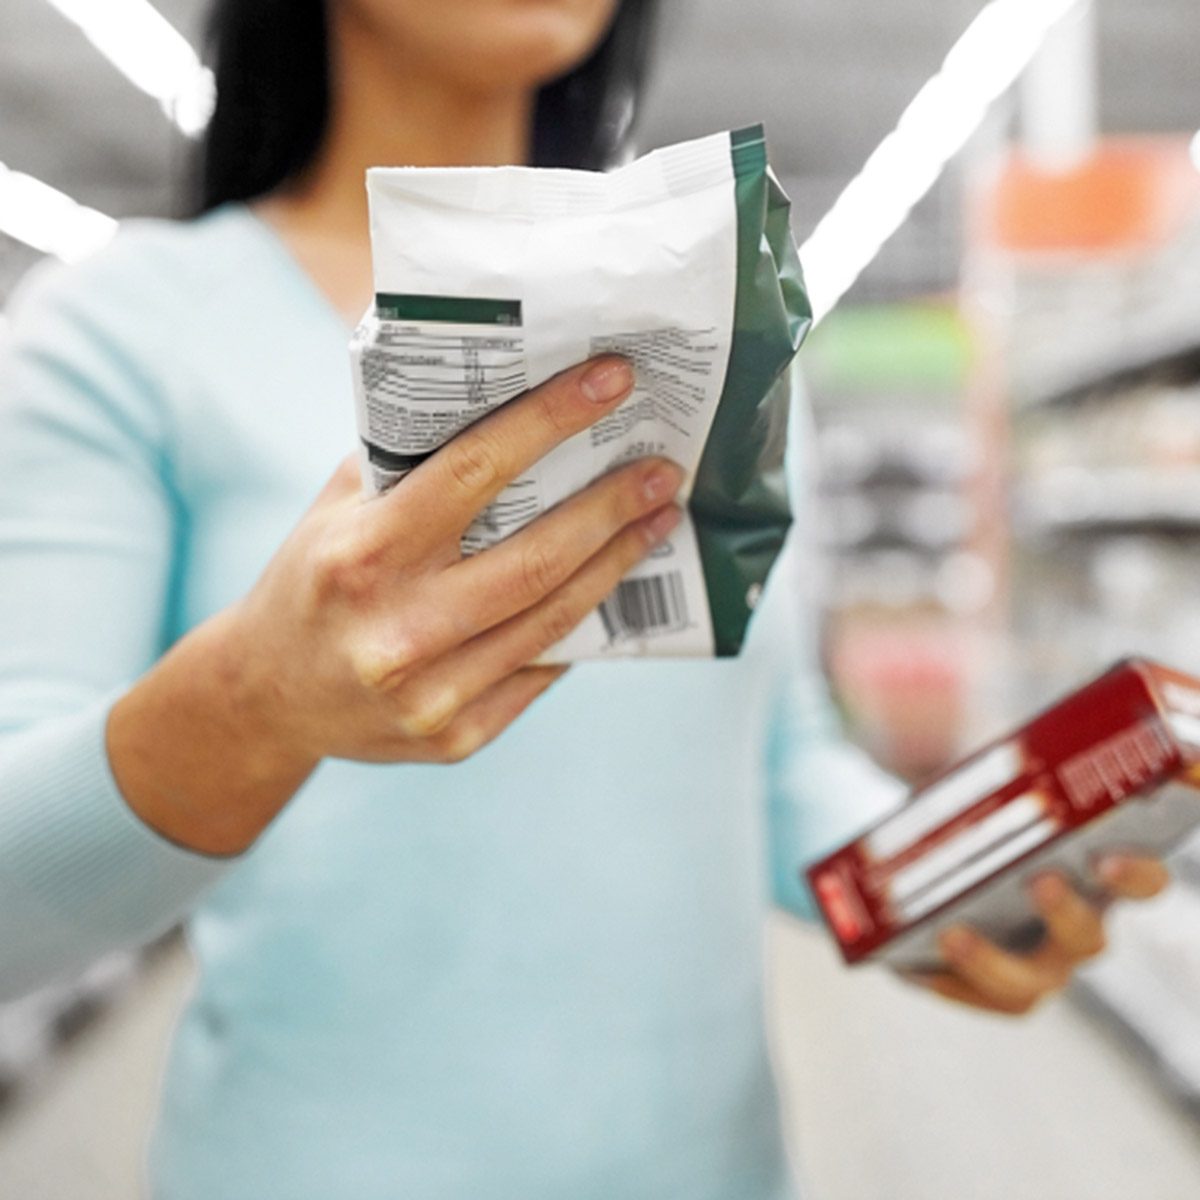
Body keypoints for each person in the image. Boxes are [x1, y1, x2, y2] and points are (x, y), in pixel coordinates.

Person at [0, 1, 1169, 1196]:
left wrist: (953, 878)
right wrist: (253, 704)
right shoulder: (125, 331)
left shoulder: (722, 322)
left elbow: (772, 765)